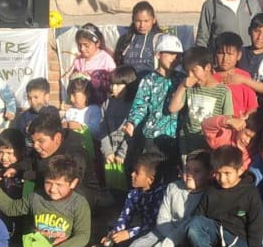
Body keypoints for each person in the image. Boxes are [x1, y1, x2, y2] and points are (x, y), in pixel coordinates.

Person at [79, 151, 209, 247]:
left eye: (197, 171)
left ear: (209, 173)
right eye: (187, 169)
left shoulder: (206, 196)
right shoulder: (173, 188)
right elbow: (161, 221)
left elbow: (185, 230)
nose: (189, 174)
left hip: (183, 242)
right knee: (138, 246)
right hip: (160, 232)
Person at [186, 145, 263, 247]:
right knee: (195, 224)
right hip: (215, 231)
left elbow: (256, 228)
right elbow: (198, 217)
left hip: (237, 238)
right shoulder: (212, 189)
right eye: (218, 173)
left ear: (240, 170)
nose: (222, 179)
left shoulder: (250, 193)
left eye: (227, 173)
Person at [124, 34, 185, 178]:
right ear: (158, 54)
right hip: (153, 138)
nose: (173, 58)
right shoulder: (148, 80)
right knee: (153, 176)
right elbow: (140, 104)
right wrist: (132, 122)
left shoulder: (182, 79)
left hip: (175, 137)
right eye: (169, 53)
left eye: (177, 55)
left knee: (172, 176)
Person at [94, 154, 166, 247]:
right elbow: (125, 216)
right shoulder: (134, 193)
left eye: (137, 173)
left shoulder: (161, 195)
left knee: (137, 239)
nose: (132, 174)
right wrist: (114, 233)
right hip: (138, 225)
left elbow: (154, 224)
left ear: (150, 179)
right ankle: (109, 246)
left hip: (153, 232)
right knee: (113, 224)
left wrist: (129, 233)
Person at [169, 46, 233, 160]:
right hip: (188, 145)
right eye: (187, 72)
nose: (190, 76)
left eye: (194, 70)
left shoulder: (223, 91)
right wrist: (182, 86)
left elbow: (227, 119)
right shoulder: (189, 87)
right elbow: (173, 108)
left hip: (209, 146)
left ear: (207, 67)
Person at [26, 111, 101, 206]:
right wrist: (16, 169)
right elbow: (27, 162)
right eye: (33, 141)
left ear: (57, 138)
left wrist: (30, 175)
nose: (36, 146)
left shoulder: (75, 154)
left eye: (41, 141)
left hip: (81, 196)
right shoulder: (39, 150)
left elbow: (66, 181)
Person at [98, 66, 137, 172]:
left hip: (128, 157)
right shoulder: (107, 104)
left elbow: (132, 133)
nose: (113, 88)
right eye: (112, 84)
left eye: (118, 84)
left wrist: (122, 153)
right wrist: (107, 151)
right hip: (109, 156)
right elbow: (103, 129)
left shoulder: (134, 106)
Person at [113, 1, 162, 77]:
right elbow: (117, 62)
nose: (142, 25)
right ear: (133, 20)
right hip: (127, 83)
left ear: (154, 20)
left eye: (146, 21)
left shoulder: (160, 39)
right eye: (138, 21)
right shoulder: (125, 39)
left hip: (150, 84)